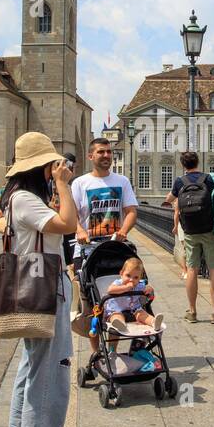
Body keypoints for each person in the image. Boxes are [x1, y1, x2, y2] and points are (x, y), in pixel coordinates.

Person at [1, 131, 78, 427]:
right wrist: (64, 186)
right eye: (51, 165)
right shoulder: (27, 200)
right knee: (49, 378)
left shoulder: (17, 197)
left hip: (36, 287)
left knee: (29, 373)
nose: (55, 169)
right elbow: (67, 225)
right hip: (46, 289)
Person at [72, 138, 138, 351]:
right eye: (101, 152)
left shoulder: (122, 181)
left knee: (117, 297)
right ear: (91, 156)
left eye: (109, 152)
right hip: (87, 249)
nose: (107, 156)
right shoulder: (80, 183)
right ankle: (96, 352)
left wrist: (123, 231)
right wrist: (79, 230)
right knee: (91, 302)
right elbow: (70, 214)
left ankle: (112, 350)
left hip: (113, 248)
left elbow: (131, 212)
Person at [170, 150, 214, 324]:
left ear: (183, 165)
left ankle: (193, 312)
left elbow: (169, 199)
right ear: (198, 162)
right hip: (209, 229)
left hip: (189, 231)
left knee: (192, 270)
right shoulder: (209, 179)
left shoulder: (180, 181)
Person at [103, 257, 165, 337]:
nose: (131, 280)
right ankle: (121, 325)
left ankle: (153, 322)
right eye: (128, 275)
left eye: (136, 277)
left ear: (140, 278)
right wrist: (126, 288)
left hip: (134, 311)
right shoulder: (118, 283)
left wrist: (149, 289)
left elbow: (148, 289)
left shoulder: (139, 285)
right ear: (121, 273)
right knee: (117, 317)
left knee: (142, 314)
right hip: (116, 310)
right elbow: (110, 290)